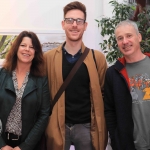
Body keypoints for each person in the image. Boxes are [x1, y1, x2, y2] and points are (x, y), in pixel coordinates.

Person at [44, 1, 108, 150]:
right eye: (70, 20)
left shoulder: (97, 58)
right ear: (63, 24)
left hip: (86, 127)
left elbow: (104, 93)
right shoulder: (49, 58)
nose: (74, 25)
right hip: (58, 125)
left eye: (79, 21)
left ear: (85, 26)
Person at [0, 31, 51, 150]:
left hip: (29, 145)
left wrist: (24, 147)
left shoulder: (41, 80)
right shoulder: (2, 75)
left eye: (32, 47)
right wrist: (2, 145)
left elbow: (44, 115)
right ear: (16, 48)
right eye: (23, 45)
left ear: (36, 52)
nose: (27, 49)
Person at [104, 19, 150, 150]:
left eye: (129, 35)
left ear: (139, 37)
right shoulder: (113, 74)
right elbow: (110, 111)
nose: (125, 42)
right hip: (128, 145)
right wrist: (116, 140)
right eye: (120, 38)